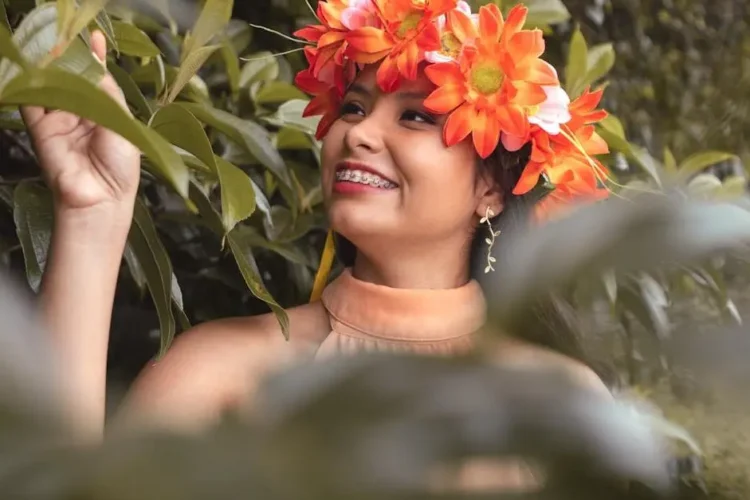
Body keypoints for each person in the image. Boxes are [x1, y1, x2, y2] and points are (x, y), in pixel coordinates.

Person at [23, 0, 611, 470]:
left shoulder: (564, 405)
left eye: (415, 116)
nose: (357, 135)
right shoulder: (219, 369)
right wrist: (90, 213)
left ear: (492, 188)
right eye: (353, 108)